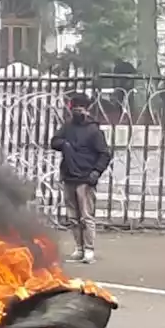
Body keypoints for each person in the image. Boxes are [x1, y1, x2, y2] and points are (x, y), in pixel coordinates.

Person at [50, 91, 113, 264]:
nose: (77, 111)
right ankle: (79, 248)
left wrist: (96, 172)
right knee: (73, 217)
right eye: (74, 107)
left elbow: (105, 154)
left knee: (86, 217)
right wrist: (65, 144)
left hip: (85, 178)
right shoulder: (68, 127)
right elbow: (54, 141)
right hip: (69, 176)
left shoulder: (94, 131)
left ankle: (89, 249)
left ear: (86, 109)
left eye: (80, 108)